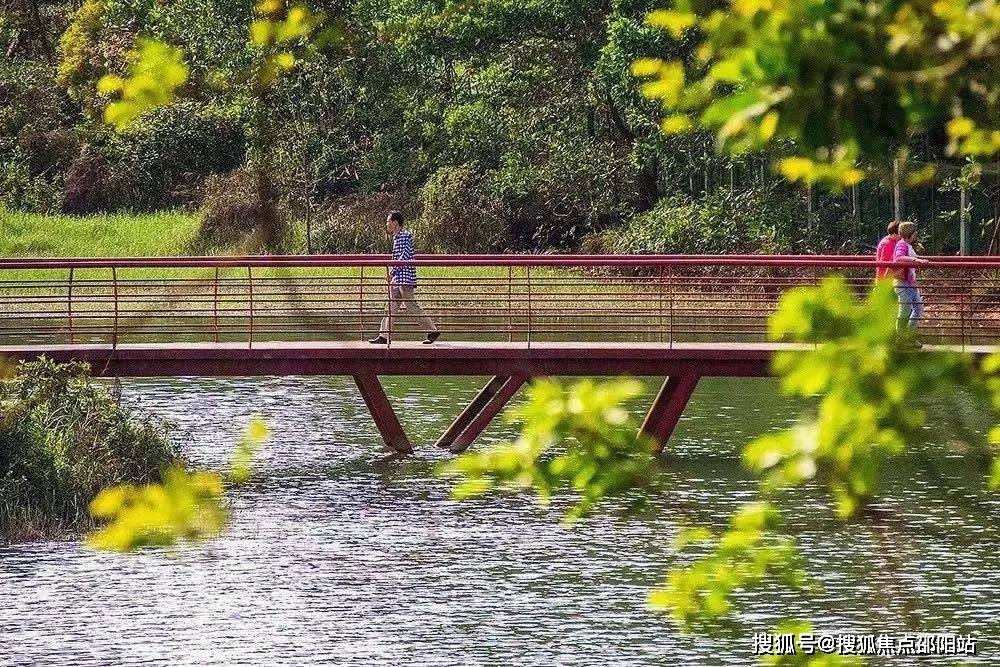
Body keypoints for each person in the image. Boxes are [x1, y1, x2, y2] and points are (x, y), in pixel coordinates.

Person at [369, 210, 439, 345]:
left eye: (388, 221)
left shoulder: (405, 236)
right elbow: (397, 257)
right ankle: (384, 336)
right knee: (391, 307)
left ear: (395, 223)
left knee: (411, 305)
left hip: (405, 277)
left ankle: (432, 331)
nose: (387, 224)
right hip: (398, 277)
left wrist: (393, 271)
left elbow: (405, 256)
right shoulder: (395, 237)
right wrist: (393, 272)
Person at [892, 221, 929, 342]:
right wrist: (916, 260)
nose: (916, 234)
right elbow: (898, 257)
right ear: (909, 233)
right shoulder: (901, 245)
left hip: (910, 283)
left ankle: (908, 336)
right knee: (904, 312)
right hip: (903, 284)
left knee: (918, 310)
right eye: (914, 232)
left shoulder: (907, 245)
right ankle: (902, 338)